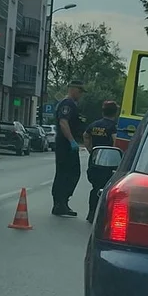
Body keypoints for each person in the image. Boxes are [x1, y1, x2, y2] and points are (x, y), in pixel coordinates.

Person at [51, 80, 86, 217]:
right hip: (65, 144)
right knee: (68, 173)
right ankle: (60, 203)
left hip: (65, 144)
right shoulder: (67, 104)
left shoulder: (69, 104)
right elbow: (63, 123)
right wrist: (71, 141)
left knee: (67, 173)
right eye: (80, 91)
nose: (81, 94)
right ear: (73, 89)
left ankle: (62, 203)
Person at [83, 100, 121, 222]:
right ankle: (102, 215)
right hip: (108, 163)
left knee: (95, 187)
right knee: (107, 189)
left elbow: (86, 135)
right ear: (115, 112)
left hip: (95, 160)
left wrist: (91, 150)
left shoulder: (95, 124)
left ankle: (91, 212)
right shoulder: (113, 126)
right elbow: (115, 140)